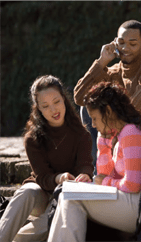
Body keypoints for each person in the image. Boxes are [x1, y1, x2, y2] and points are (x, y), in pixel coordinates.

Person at [47, 82, 141, 241]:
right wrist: (103, 143)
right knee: (68, 195)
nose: (92, 124)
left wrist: (105, 181)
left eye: (95, 118)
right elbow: (106, 174)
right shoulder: (122, 133)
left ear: (109, 112)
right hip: (136, 201)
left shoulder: (132, 131)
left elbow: (133, 184)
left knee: (71, 198)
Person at [74, 20, 141, 173]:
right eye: (121, 43)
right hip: (122, 131)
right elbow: (80, 97)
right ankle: (101, 169)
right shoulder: (114, 71)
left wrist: (113, 128)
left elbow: (139, 106)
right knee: (90, 105)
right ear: (115, 43)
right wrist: (102, 62)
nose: (125, 48)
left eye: (132, 44)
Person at [0, 75, 94, 242]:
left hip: (67, 195)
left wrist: (84, 175)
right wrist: (59, 178)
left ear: (64, 100)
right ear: (38, 109)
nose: (53, 110)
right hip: (40, 194)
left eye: (56, 102)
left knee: (52, 221)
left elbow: (86, 166)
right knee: (26, 191)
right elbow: (42, 177)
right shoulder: (32, 139)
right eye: (45, 106)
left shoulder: (82, 134)